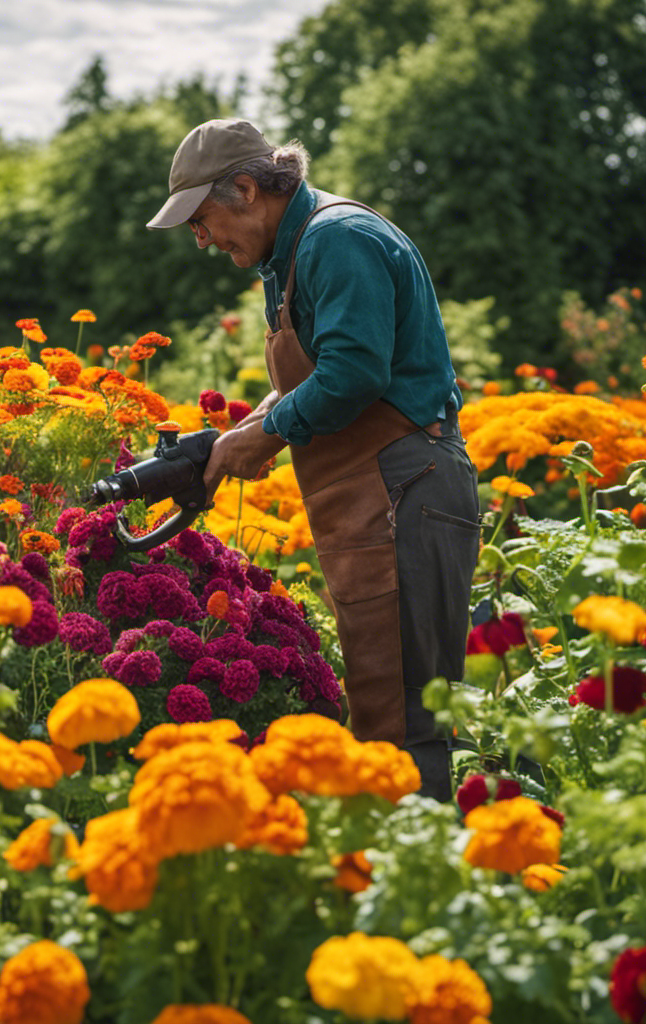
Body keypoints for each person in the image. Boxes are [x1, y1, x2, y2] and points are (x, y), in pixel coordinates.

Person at [147, 118, 480, 801]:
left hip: (404, 488)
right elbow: (312, 376)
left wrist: (266, 436)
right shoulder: (294, 252)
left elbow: (355, 375)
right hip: (383, 496)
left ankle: (431, 886)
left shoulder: (338, 240)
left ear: (246, 188)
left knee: (412, 720)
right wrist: (241, 432)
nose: (204, 241)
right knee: (384, 707)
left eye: (204, 221)